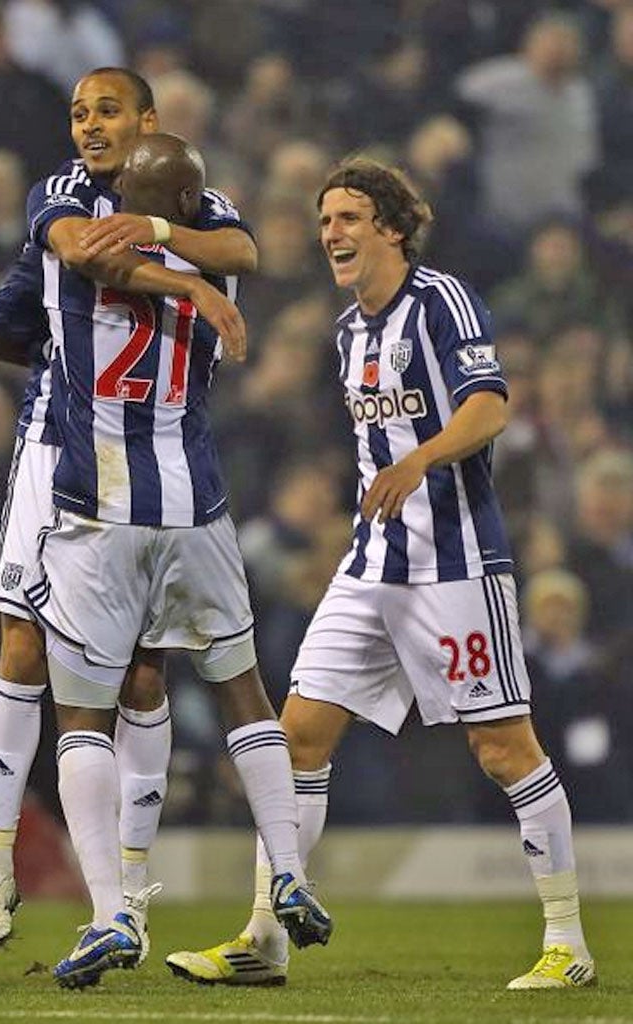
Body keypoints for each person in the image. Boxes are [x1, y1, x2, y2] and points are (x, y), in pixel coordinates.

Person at [166, 158, 596, 991]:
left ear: (392, 227)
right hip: (369, 566)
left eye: (350, 217)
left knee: (502, 747)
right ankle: (264, 939)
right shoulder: (345, 332)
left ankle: (567, 941)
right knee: (294, 741)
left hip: (457, 565)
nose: (332, 232)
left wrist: (422, 461)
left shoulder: (441, 301)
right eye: (325, 219)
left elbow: (491, 403)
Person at [24, 124, 331, 988]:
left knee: (81, 713)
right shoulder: (213, 250)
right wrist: (203, 292)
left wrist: (147, 237)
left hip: (101, 512)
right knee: (244, 693)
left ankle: (113, 911)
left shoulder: (80, 214)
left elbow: (98, 257)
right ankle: (291, 877)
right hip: (197, 508)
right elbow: (239, 247)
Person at [0, 66, 259, 954]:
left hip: (160, 458)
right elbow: (78, 253)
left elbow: (245, 252)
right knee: (23, 645)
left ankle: (129, 885)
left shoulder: (200, 201)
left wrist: (179, 242)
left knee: (143, 674)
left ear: (147, 120)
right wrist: (189, 285)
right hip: (57, 444)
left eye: (106, 112)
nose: (89, 125)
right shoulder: (61, 189)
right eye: (79, 113)